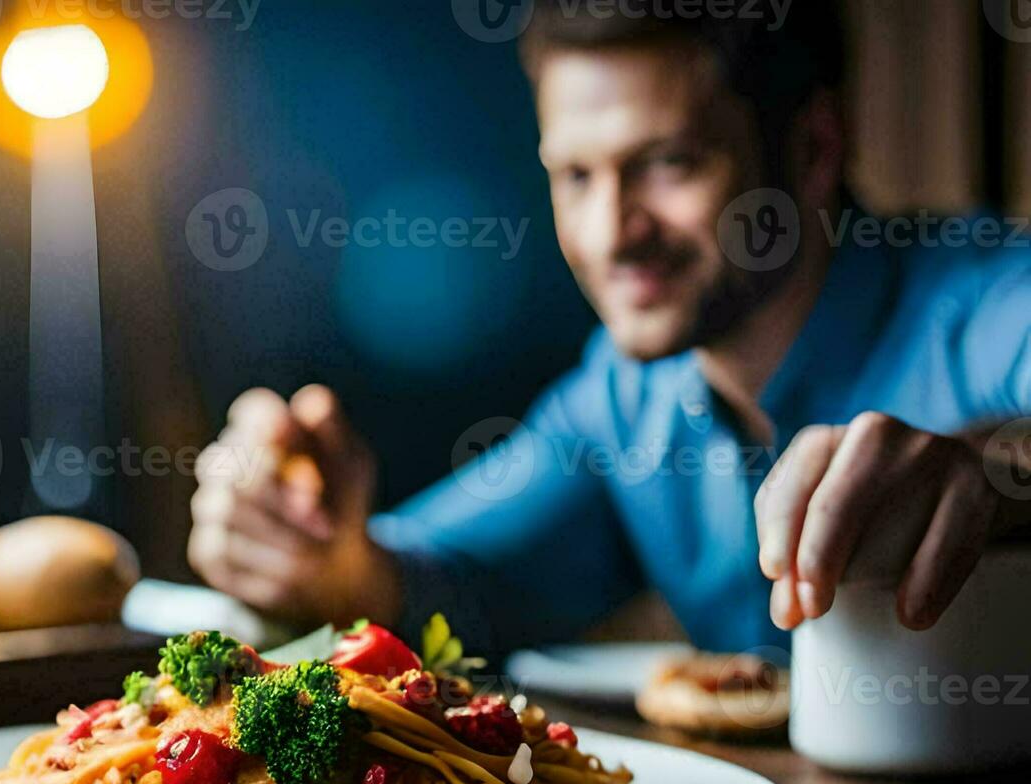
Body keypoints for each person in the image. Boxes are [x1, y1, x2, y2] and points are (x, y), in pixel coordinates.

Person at [187, 2, 1031, 656]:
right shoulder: (626, 400)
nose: (610, 232)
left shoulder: (987, 296)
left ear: (812, 150)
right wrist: (316, 554)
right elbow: (443, 579)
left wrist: (991, 469)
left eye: (668, 164)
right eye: (576, 175)